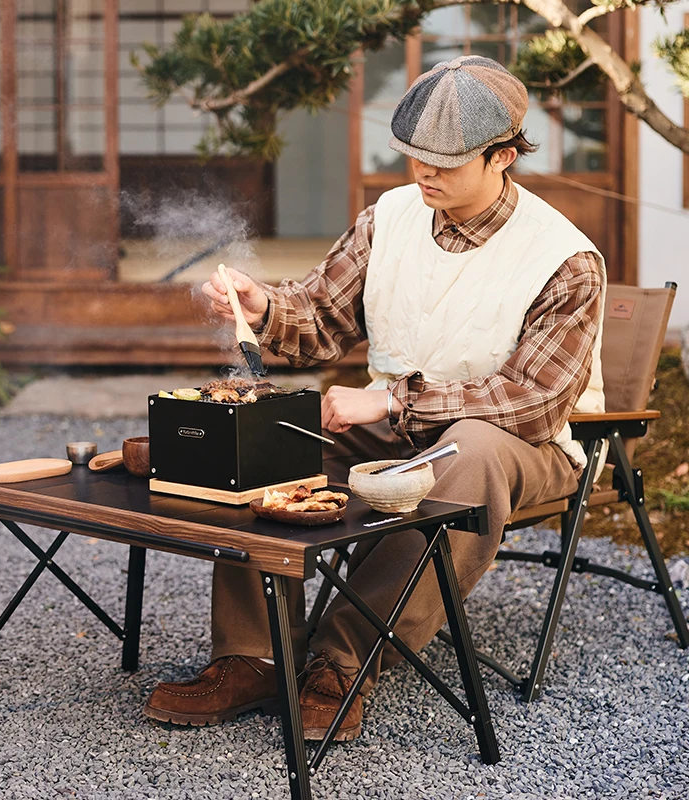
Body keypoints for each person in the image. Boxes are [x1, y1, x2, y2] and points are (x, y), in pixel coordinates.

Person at [144, 55, 606, 740]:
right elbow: (321, 313)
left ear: (503, 154)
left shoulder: (564, 257)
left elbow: (533, 402)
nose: (424, 173)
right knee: (270, 433)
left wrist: (394, 402)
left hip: (522, 450)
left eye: (446, 161)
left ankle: (340, 660)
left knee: (473, 451)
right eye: (415, 155)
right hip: (395, 430)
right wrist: (262, 303)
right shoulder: (390, 216)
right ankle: (253, 655)